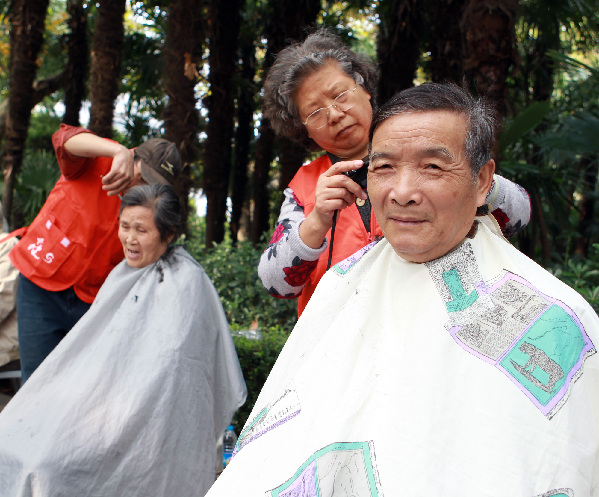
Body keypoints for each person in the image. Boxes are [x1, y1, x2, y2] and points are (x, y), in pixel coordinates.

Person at [204, 83, 599, 496]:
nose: (402, 193)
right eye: (384, 168)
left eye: (432, 167)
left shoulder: (554, 320)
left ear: (484, 180)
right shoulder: (336, 278)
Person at [258, 29, 532, 317]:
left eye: (340, 95)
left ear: (364, 88)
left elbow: (519, 214)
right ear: (304, 129)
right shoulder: (304, 186)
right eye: (314, 112)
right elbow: (276, 285)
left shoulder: (426, 142)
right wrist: (316, 222)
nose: (334, 114)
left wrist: (458, 176)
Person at [0, 184, 247, 497]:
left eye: (141, 230)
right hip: (94, 409)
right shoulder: (122, 274)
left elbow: (170, 373)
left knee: (42, 467)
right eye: (125, 226)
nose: (129, 239)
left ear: (168, 234)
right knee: (9, 441)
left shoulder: (186, 284)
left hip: (139, 423)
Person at [8, 124, 182, 383]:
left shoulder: (151, 206)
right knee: (35, 382)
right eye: (143, 175)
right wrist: (117, 151)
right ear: (134, 156)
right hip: (41, 286)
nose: (144, 186)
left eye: (153, 184)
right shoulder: (97, 160)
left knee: (80, 388)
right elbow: (64, 139)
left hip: (91, 301)